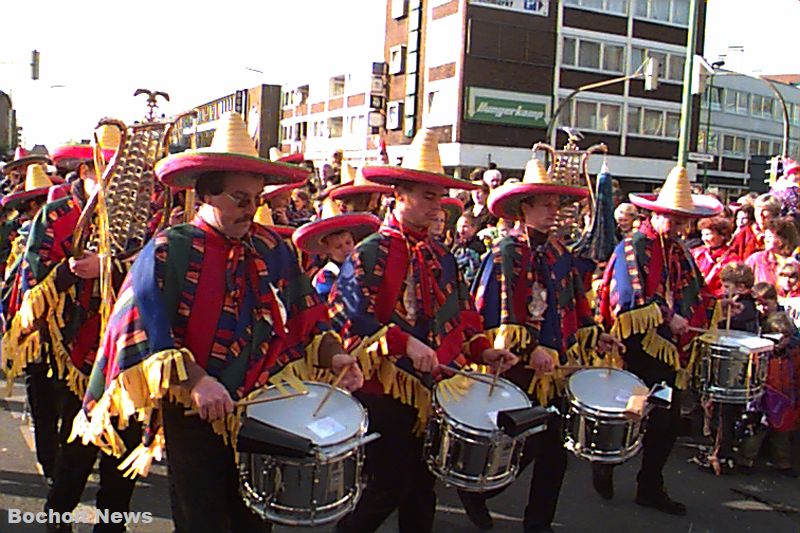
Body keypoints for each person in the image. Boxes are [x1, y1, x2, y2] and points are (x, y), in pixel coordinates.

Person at [71, 113, 363, 533]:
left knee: (254, 523)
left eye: (257, 199)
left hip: (264, 410)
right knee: (202, 522)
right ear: (206, 194)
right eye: (240, 199)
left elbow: (307, 317)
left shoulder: (272, 247)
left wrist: (336, 356)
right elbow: (144, 332)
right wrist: (196, 381)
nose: (252, 209)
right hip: (194, 414)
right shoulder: (169, 251)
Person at [330, 128, 517, 533]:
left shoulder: (440, 254)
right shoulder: (371, 252)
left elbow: (462, 313)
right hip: (385, 387)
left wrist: (483, 350)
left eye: (440, 197)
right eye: (428, 196)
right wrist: (405, 343)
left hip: (435, 386)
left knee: (422, 489)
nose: (438, 206)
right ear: (400, 195)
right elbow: (351, 319)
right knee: (389, 486)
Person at [460, 154, 622, 533]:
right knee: (520, 444)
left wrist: (596, 334)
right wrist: (528, 348)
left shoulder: (559, 253)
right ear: (524, 208)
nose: (554, 212)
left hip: (556, 368)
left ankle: (538, 523)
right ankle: (478, 492)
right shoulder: (506, 251)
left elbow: (574, 305)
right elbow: (494, 311)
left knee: (554, 451)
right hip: (516, 366)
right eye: (546, 205)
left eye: (556, 204)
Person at [597, 165, 727, 515]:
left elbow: (694, 288)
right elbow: (629, 295)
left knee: (665, 420)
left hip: (669, 351)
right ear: (655, 214)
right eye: (675, 219)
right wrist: (669, 316)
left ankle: (650, 485)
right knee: (630, 411)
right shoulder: (635, 244)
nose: (681, 227)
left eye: (685, 221)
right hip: (637, 345)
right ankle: (605, 461)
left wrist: (715, 303)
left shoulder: (679, 249)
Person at [694, 262, 758, 475]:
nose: (723, 290)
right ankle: (719, 450)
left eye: (727, 286)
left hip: (733, 369)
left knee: (725, 414)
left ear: (742, 287)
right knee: (718, 411)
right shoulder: (739, 304)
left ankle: (720, 455)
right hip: (730, 368)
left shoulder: (745, 308)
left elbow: (725, 326)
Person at [738, 312, 798, 476]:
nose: (781, 341)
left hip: (783, 399)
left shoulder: (792, 355)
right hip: (761, 398)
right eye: (777, 336)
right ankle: (746, 460)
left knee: (782, 435)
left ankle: (783, 463)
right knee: (755, 431)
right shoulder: (760, 353)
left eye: (785, 337)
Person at [292, 198, 380, 299]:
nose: (346, 249)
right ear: (327, 250)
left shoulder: (365, 264)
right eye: (338, 247)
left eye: (348, 243)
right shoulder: (325, 276)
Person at [691, 216, 738, 297]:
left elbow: (731, 285)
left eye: (708, 234)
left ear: (722, 235)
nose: (704, 239)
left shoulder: (732, 259)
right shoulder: (696, 253)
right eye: (702, 235)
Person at [745, 217, 799, 286]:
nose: (766, 240)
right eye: (765, 237)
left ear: (783, 239)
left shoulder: (796, 261)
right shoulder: (756, 259)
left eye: (770, 237)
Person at [730, 193, 781, 259]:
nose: (760, 214)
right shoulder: (745, 233)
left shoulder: (781, 233)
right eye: (757, 210)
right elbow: (732, 254)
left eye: (764, 210)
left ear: (775, 213)